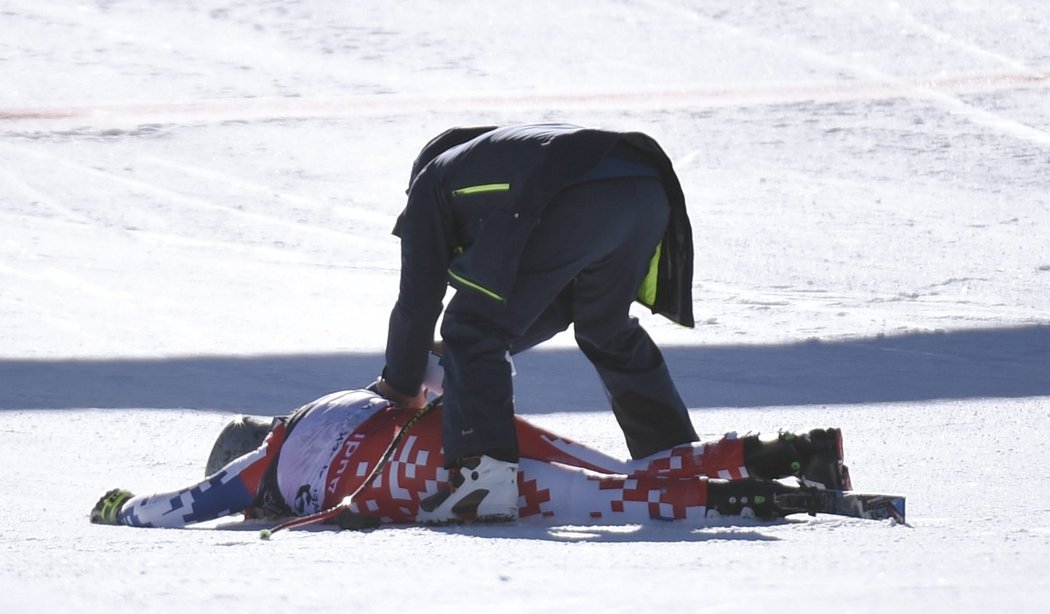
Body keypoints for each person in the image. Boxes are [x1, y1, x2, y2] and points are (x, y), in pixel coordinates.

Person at [373, 124, 703, 523]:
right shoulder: (507, 158)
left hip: (578, 195)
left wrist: (401, 385)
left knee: (471, 325)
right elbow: (554, 303)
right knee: (605, 328)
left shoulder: (432, 181)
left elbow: (418, 300)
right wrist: (466, 356)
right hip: (647, 183)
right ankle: (674, 455)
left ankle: (484, 482)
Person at [89, 387, 851, 529]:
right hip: (456, 420)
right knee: (624, 471)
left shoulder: (265, 464)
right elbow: (421, 376)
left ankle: (752, 502)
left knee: (600, 502)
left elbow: (184, 507)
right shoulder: (326, 401)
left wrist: (122, 506)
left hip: (421, 478)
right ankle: (787, 452)